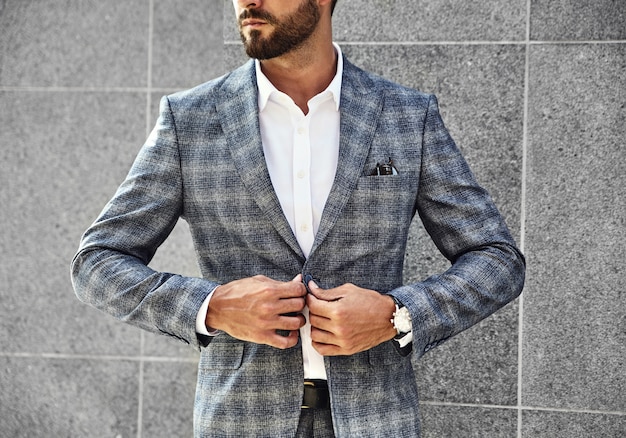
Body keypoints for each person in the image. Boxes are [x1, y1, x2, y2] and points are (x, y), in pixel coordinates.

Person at [71, 0, 525, 436]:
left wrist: (396, 314)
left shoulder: (407, 116)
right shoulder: (189, 119)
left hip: (377, 420)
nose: (247, 1)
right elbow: (96, 263)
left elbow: (498, 259)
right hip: (239, 420)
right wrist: (214, 307)